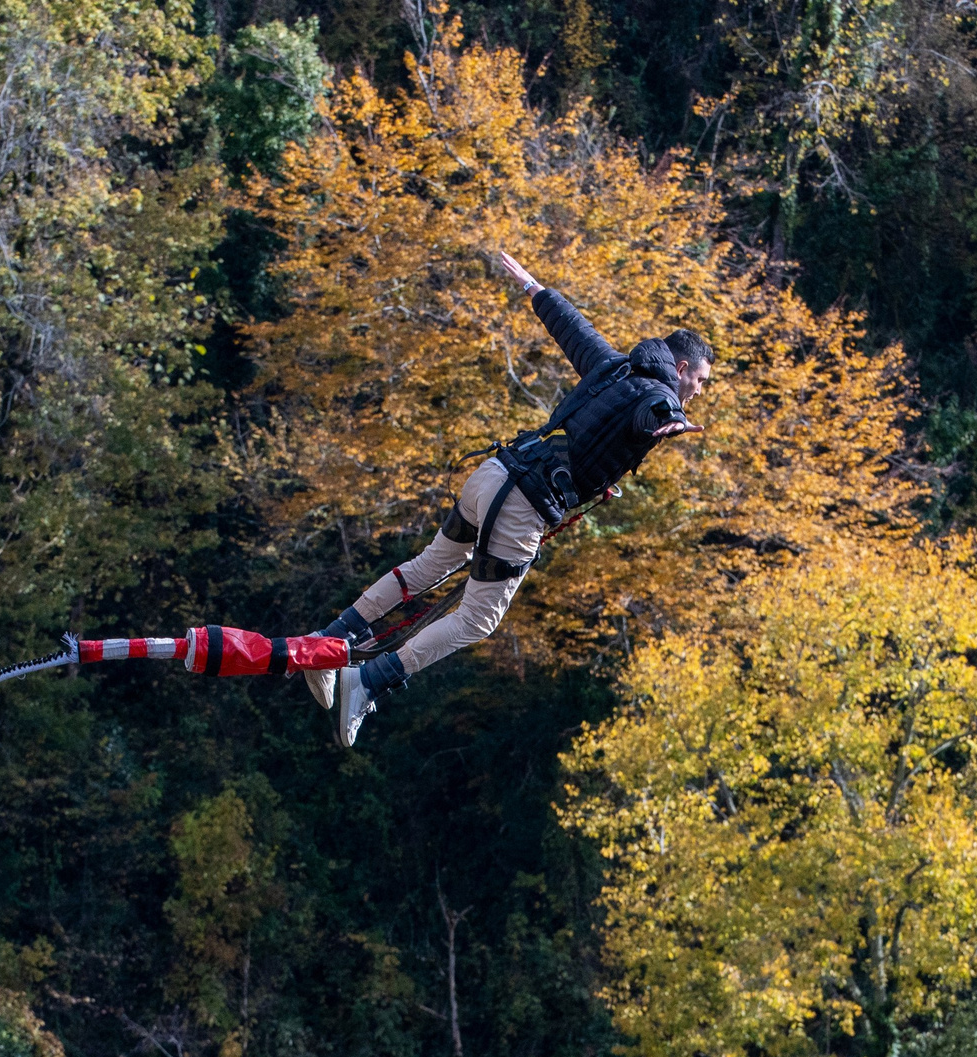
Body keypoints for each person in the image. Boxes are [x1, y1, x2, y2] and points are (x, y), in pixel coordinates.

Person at [300, 251, 711, 747]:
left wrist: (536, 289)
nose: (699, 393)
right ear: (682, 367)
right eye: (700, 382)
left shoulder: (613, 367)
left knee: (429, 565)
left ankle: (328, 642)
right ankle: (365, 681)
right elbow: (653, 411)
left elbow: (572, 329)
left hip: (494, 473)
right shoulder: (658, 396)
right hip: (520, 506)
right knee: (478, 620)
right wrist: (667, 422)